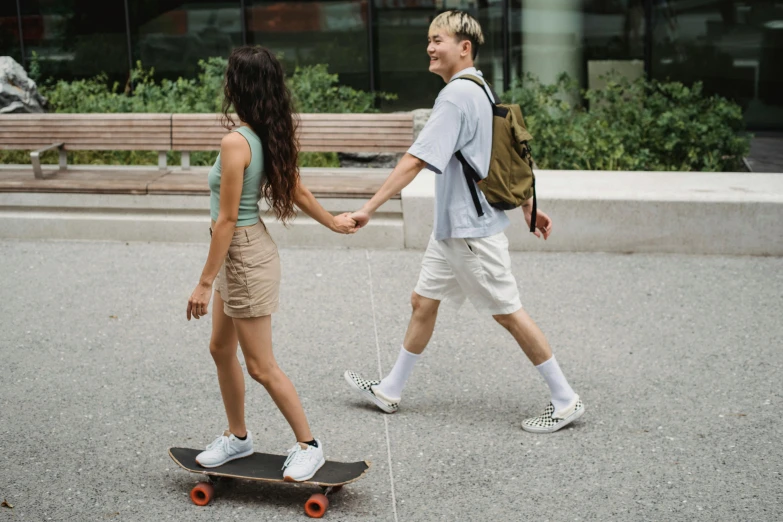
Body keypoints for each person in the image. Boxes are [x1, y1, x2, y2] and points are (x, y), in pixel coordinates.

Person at [343, 10, 585, 433]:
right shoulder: (479, 87)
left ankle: (565, 400)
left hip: (470, 231)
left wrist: (369, 207)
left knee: (509, 312)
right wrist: (526, 206)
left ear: (464, 47)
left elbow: (416, 159)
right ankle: (390, 390)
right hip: (453, 229)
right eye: (429, 41)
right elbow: (499, 155)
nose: (430, 48)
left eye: (438, 40)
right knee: (423, 302)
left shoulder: (456, 95)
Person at [186, 46, 356, 480]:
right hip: (238, 255)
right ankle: (238, 438)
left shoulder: (236, 141)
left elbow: (227, 219)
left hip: (241, 256)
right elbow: (295, 191)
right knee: (220, 348)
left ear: (236, 87)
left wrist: (204, 283)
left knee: (261, 365)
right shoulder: (263, 134)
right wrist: (332, 222)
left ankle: (309, 444)